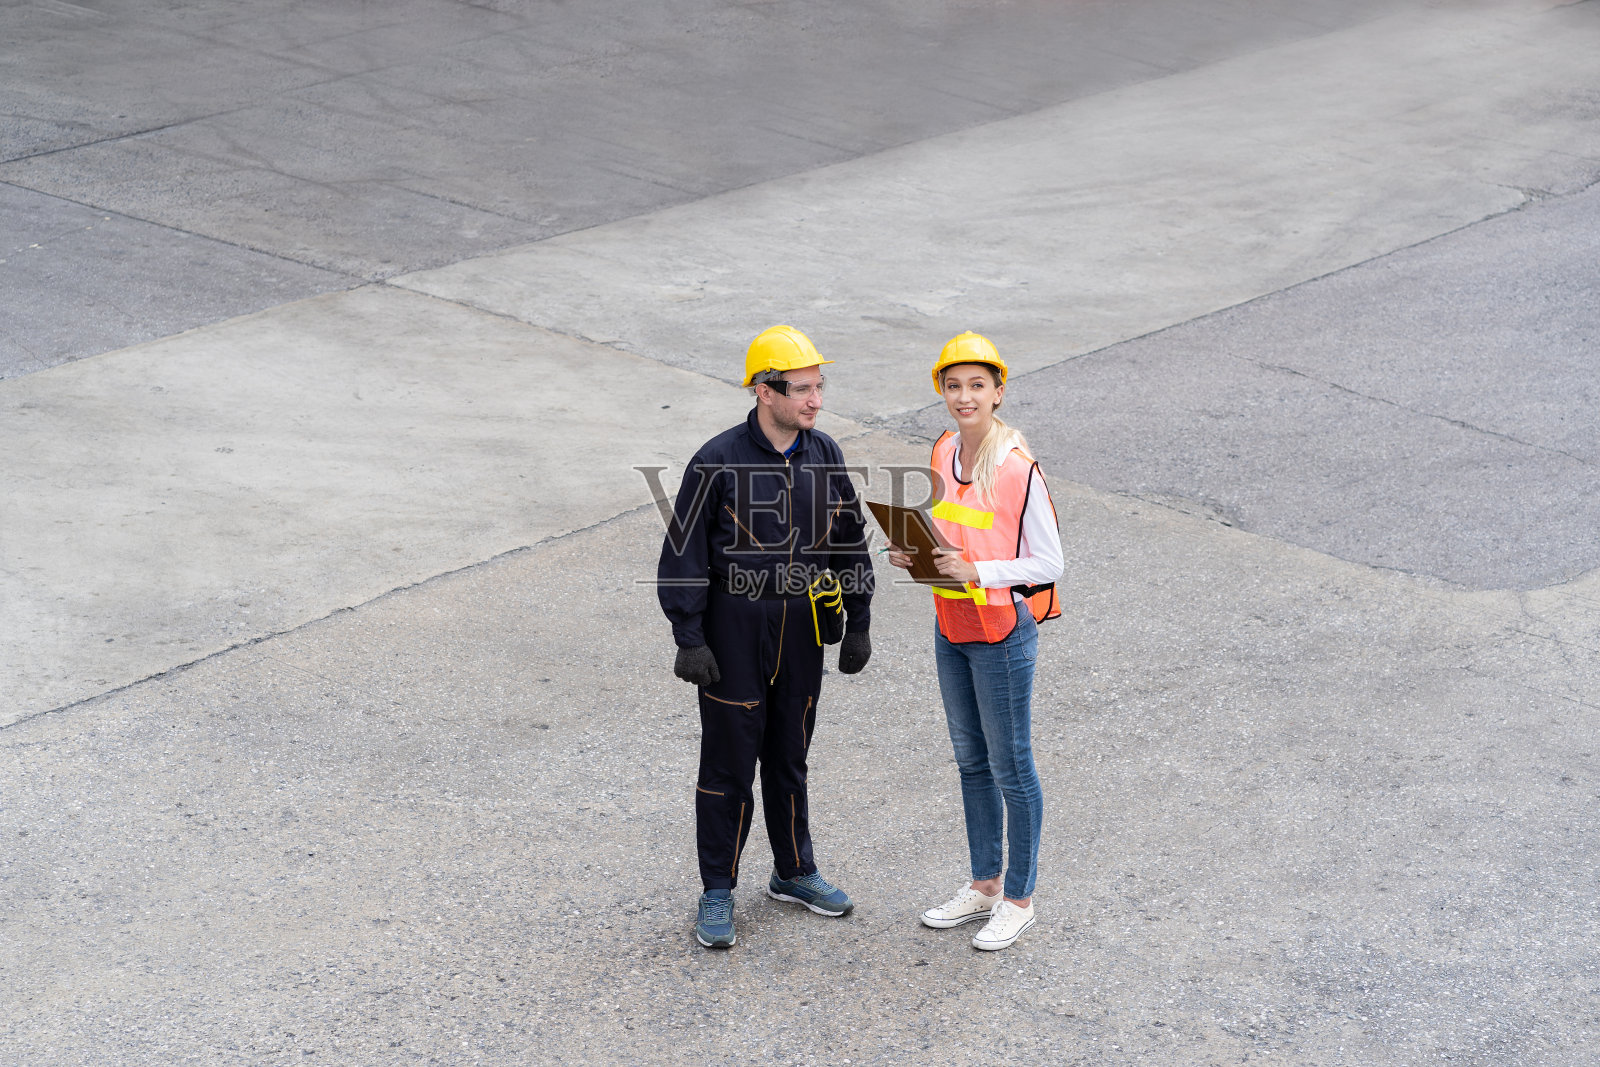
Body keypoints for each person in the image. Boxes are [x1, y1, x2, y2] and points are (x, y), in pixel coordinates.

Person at [657, 324, 874, 950]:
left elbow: (848, 538)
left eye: (818, 387)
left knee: (789, 758)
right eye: (802, 390)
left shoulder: (824, 452)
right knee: (728, 766)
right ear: (763, 391)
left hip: (803, 630)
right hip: (734, 630)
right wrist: (689, 636)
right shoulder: (717, 460)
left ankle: (793, 869)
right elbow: (684, 552)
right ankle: (718, 889)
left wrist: (857, 620)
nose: (815, 401)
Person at [886, 331, 1062, 951]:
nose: (964, 397)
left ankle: (1019, 897)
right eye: (953, 386)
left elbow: (1051, 562)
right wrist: (919, 556)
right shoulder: (942, 449)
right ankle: (984, 884)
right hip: (951, 623)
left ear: (998, 391)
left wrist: (979, 573)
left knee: (1011, 765)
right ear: (942, 391)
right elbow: (950, 532)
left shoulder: (1018, 467)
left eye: (976, 386)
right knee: (971, 762)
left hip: (1001, 633)